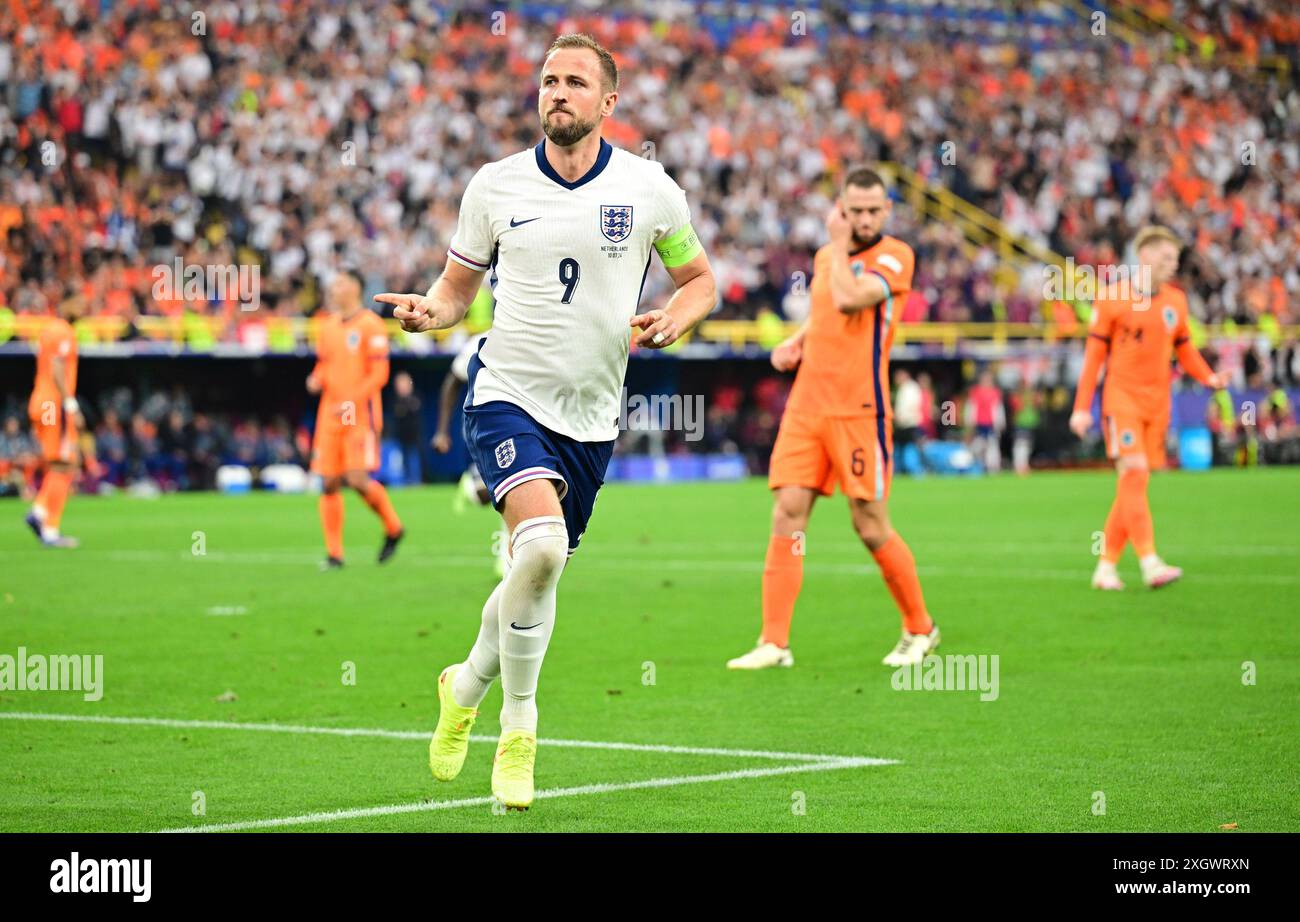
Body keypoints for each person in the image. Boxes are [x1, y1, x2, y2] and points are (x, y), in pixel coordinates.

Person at [375, 33, 716, 810]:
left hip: (593, 419)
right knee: (544, 548)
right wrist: (431, 313)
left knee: (537, 568)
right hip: (507, 396)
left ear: (607, 102)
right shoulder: (494, 186)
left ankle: (461, 686)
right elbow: (457, 293)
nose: (556, 92)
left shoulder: (649, 189)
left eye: (574, 82)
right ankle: (518, 727)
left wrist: (680, 317)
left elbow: (701, 280)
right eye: (548, 80)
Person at [726, 167, 940, 671]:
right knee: (788, 513)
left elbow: (849, 297)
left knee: (868, 524)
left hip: (859, 410)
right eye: (853, 210)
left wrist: (840, 246)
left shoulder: (895, 256)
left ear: (886, 210)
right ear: (841, 207)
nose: (862, 219)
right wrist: (798, 341)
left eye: (872, 211)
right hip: (807, 406)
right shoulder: (828, 257)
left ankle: (920, 628)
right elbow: (826, 311)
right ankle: (774, 642)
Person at [1070, 226, 1226, 590]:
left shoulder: (1176, 301)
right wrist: (1081, 408)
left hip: (1158, 404)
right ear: (1144, 257)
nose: (1173, 265)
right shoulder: (1112, 299)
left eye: (1175, 258)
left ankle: (1105, 566)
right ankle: (1150, 562)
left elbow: (1184, 349)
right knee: (1135, 474)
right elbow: (1093, 359)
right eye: (1166, 257)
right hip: (1121, 400)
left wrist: (1208, 378)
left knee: (1132, 483)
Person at [307, 271, 405, 569]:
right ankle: (334, 554)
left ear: (355, 288)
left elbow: (379, 374)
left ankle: (393, 527)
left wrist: (352, 399)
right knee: (329, 482)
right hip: (330, 413)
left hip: (359, 412)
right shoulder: (326, 325)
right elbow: (325, 364)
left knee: (357, 479)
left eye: (339, 283)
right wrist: (316, 377)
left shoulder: (371, 325)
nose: (333, 289)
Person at [24, 292, 85, 548]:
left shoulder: (48, 330)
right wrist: (71, 405)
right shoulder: (64, 332)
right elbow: (58, 367)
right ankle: (49, 529)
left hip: (40, 402)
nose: (83, 308)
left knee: (59, 464)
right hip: (54, 405)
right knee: (65, 464)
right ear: (66, 303)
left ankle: (39, 513)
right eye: (79, 302)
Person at [965, 369, 1005, 473]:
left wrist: (1001, 422)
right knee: (977, 446)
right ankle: (977, 466)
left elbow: (998, 409)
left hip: (991, 424)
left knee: (993, 446)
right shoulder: (975, 392)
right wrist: (969, 421)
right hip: (978, 424)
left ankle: (993, 468)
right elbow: (970, 407)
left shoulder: (995, 392)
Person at [390, 371, 424, 485]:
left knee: (414, 460)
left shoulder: (415, 397)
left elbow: (414, 408)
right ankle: (404, 482)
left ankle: (415, 482)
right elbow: (399, 412)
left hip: (414, 436)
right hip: (400, 437)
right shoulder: (396, 401)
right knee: (402, 461)